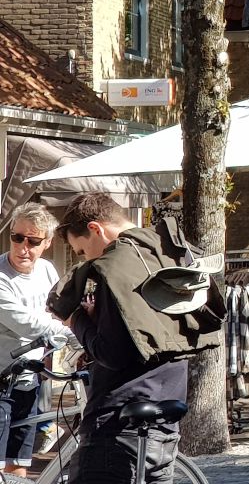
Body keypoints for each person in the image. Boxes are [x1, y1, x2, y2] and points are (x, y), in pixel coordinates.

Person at [49, 193, 223, 484]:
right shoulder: (165, 251)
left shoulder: (116, 266)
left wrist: (75, 319)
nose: (87, 258)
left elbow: (112, 352)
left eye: (81, 251)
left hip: (117, 424)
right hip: (166, 418)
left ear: (96, 229)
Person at [0, 204, 71, 476]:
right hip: (1, 378)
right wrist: (71, 333)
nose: (23, 247)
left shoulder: (47, 271)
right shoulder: (2, 275)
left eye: (33, 241)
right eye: (17, 238)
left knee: (20, 461)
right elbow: (26, 322)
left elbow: (57, 311)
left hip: (30, 378)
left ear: (48, 243)